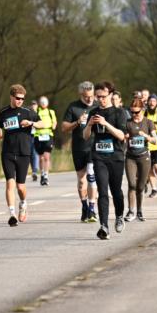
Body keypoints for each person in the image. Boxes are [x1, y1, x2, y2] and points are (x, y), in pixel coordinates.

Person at [0, 85, 44, 226]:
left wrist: (31, 123)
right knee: (10, 183)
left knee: (20, 187)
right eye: (17, 98)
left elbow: (42, 123)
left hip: (24, 152)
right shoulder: (4, 111)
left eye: (22, 99)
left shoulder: (28, 111)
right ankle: (12, 214)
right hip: (8, 152)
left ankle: (23, 204)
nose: (20, 101)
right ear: (11, 97)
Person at [84, 81, 128, 239]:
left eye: (103, 96)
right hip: (98, 157)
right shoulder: (93, 112)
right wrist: (89, 125)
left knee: (116, 191)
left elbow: (122, 136)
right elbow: (85, 136)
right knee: (102, 191)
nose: (100, 99)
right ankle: (104, 226)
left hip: (116, 157)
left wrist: (105, 124)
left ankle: (119, 216)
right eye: (98, 97)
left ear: (111, 95)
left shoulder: (119, 113)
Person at [62, 81, 98, 222]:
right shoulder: (73, 107)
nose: (90, 99)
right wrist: (77, 122)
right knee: (82, 181)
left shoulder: (97, 106)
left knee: (91, 176)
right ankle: (84, 206)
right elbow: (64, 128)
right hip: (78, 148)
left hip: (93, 147)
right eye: (86, 96)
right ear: (81, 94)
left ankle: (92, 209)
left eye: (91, 96)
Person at [124, 99, 157, 221]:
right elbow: (122, 137)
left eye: (136, 112)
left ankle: (139, 211)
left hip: (144, 157)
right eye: (132, 112)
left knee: (140, 186)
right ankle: (131, 211)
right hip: (130, 157)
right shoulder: (128, 123)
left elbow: (155, 140)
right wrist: (125, 137)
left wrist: (146, 136)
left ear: (142, 110)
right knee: (132, 184)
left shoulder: (148, 123)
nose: (134, 115)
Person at [33, 96, 58, 186]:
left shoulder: (51, 112)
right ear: (40, 103)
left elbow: (54, 121)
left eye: (45, 102)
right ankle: (42, 173)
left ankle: (46, 175)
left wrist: (54, 125)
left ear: (47, 103)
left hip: (48, 135)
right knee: (41, 158)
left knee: (46, 157)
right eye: (42, 102)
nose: (43, 104)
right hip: (38, 135)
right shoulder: (37, 111)